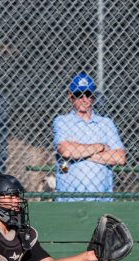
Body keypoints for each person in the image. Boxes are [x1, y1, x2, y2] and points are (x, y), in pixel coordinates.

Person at [52, 71, 126, 201]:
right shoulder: (62, 121)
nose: (85, 99)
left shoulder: (106, 123)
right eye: (79, 95)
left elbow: (120, 158)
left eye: (88, 94)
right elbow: (66, 151)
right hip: (69, 200)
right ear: (70, 96)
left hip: (101, 200)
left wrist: (79, 153)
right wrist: (100, 147)